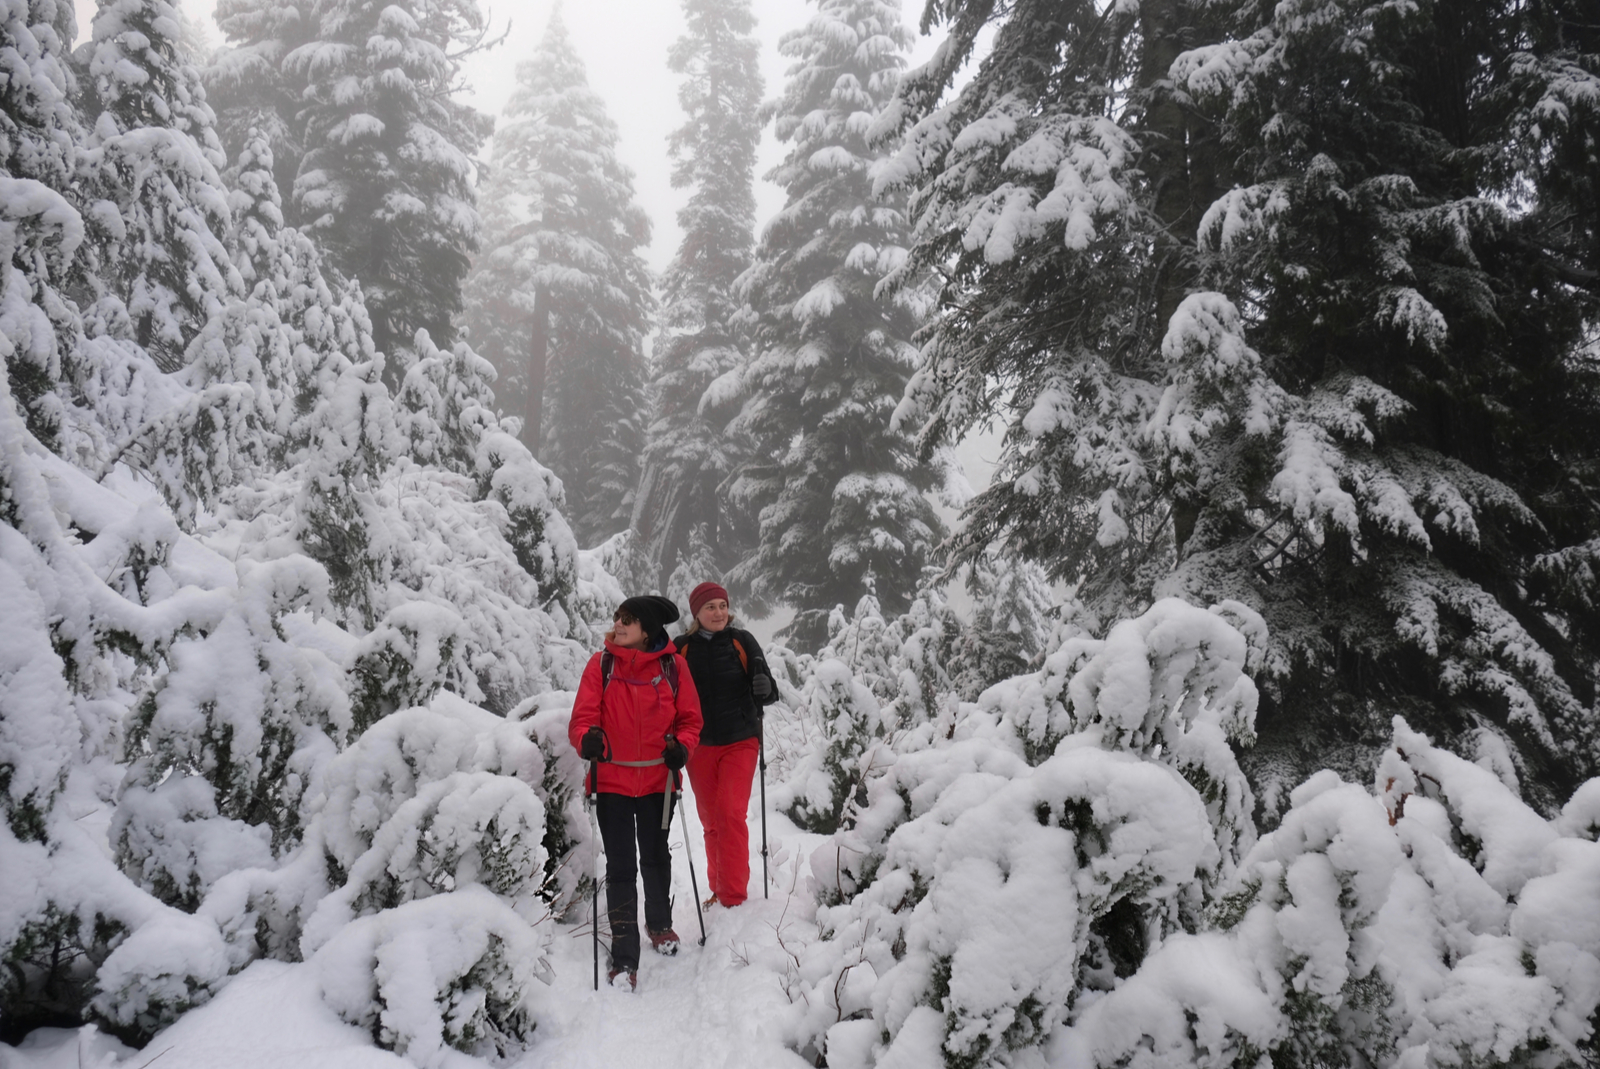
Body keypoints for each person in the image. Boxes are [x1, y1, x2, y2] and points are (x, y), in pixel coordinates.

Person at [568, 595, 701, 989]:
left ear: (648, 629)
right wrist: (586, 739)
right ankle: (625, 959)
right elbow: (583, 716)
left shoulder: (674, 666)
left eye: (628, 620)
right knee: (622, 867)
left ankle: (660, 926)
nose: (619, 624)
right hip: (611, 783)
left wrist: (683, 747)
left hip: (658, 783)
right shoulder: (602, 665)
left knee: (657, 857)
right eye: (618, 618)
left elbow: (691, 720)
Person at [673, 581, 777, 909]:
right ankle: (718, 889)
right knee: (711, 822)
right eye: (710, 607)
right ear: (697, 613)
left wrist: (764, 686)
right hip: (699, 745)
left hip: (740, 740)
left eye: (722, 605)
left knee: (731, 813)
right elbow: (666, 694)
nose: (718, 613)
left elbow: (769, 691)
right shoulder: (682, 648)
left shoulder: (741, 641)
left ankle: (733, 897)